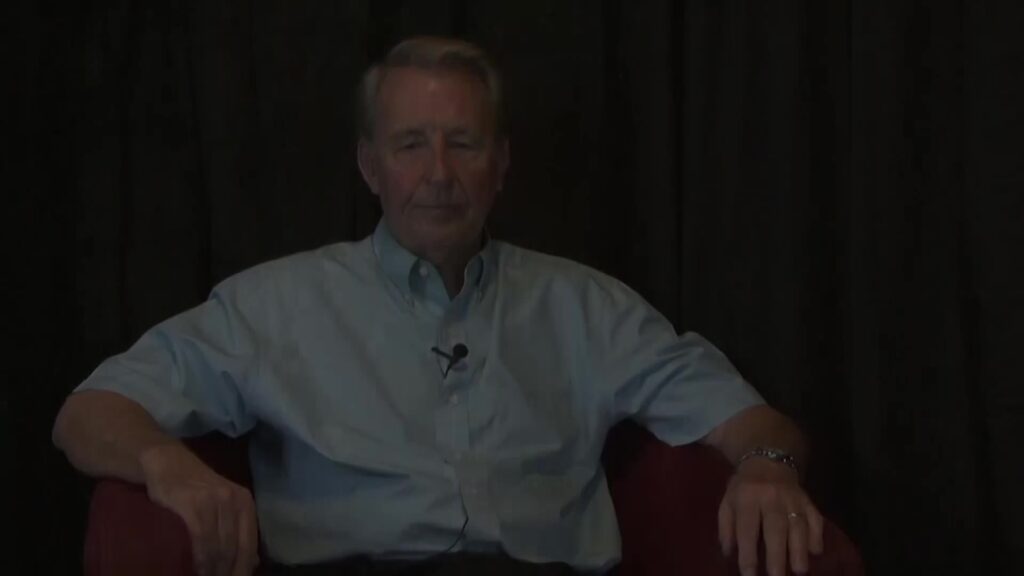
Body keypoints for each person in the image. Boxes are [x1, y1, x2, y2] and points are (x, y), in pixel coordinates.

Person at [53, 37, 824, 576]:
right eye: (411, 144)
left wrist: (769, 468)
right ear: (370, 167)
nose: (440, 174)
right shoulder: (275, 304)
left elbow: (754, 422)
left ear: (502, 164)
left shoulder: (586, 307)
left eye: (464, 142)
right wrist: (165, 463)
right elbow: (86, 414)